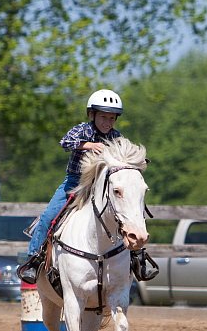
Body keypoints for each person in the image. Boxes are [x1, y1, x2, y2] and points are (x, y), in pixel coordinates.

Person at [18, 89, 128, 284]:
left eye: (111, 118)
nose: (107, 122)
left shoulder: (116, 136)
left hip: (101, 185)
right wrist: (89, 145)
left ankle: (136, 258)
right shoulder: (83, 130)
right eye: (103, 117)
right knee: (48, 217)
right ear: (92, 115)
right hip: (75, 182)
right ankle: (33, 259)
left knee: (128, 213)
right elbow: (65, 142)